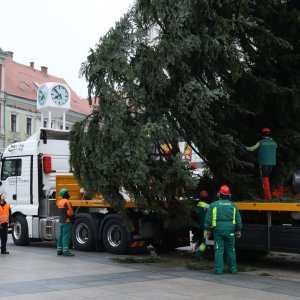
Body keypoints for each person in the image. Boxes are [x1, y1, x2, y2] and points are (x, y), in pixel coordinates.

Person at [204, 185, 242, 275]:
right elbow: (238, 219)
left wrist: (208, 230)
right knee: (231, 250)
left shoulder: (214, 205)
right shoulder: (233, 206)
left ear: (219, 194)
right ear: (229, 195)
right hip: (230, 232)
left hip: (218, 231)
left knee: (218, 250)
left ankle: (218, 270)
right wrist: (238, 230)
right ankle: (233, 270)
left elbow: (208, 219)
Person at [246, 128, 277, 200]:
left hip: (263, 163)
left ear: (262, 134)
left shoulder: (260, 142)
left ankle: (267, 197)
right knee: (268, 178)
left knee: (264, 179)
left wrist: (243, 147)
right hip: (272, 163)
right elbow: (275, 147)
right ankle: (269, 195)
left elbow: (252, 149)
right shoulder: (274, 143)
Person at [57, 188, 75, 256]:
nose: (69, 193)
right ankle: (66, 251)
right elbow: (70, 213)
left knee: (61, 236)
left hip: (61, 221)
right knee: (66, 236)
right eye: (68, 192)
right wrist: (73, 219)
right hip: (67, 221)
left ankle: (59, 250)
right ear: (65, 194)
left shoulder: (60, 202)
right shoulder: (67, 202)